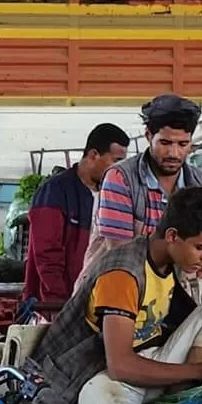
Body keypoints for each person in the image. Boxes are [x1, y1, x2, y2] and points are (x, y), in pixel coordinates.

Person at [26, 186, 202, 404]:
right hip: (98, 373)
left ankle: (185, 399)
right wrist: (200, 370)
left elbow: (188, 319)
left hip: (150, 359)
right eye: (201, 247)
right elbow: (120, 365)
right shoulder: (123, 274)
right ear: (172, 236)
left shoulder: (169, 264)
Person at [93, 93, 202, 287]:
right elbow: (121, 259)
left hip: (168, 289)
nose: (174, 153)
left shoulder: (201, 182)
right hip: (117, 287)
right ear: (148, 135)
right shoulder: (120, 179)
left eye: (183, 144)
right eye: (165, 143)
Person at [23, 123, 130, 318]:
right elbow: (47, 255)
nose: (120, 170)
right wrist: (58, 306)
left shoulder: (114, 195)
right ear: (93, 155)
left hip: (95, 303)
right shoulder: (55, 191)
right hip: (55, 308)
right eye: (116, 161)